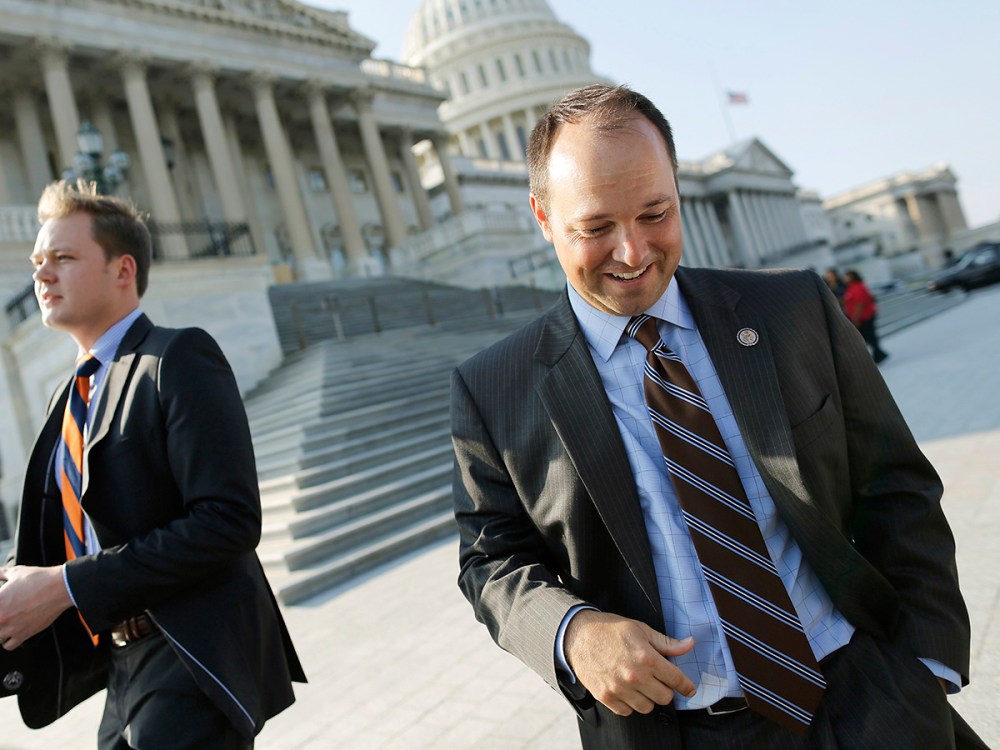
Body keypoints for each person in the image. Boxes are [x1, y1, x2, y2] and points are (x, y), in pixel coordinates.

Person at [451, 85, 984, 749]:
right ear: (542, 216)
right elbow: (490, 560)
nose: (633, 252)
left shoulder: (792, 312)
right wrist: (571, 632)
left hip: (868, 700)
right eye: (595, 228)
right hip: (675, 732)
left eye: (655, 213)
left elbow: (899, 486)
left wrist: (925, 667)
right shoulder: (494, 389)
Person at [0, 181, 305, 748]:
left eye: (63, 259)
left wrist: (66, 586)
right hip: (117, 667)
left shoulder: (178, 356)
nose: (41, 276)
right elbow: (68, 537)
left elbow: (229, 520)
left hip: (189, 656)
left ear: (123, 270)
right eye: (38, 262)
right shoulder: (63, 398)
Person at [842, 269, 889, 363]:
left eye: (847, 276)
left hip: (865, 317)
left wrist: (855, 318)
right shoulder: (851, 288)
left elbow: (860, 303)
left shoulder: (857, 287)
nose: (845, 278)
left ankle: (878, 354)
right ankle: (879, 354)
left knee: (868, 336)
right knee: (869, 336)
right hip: (862, 317)